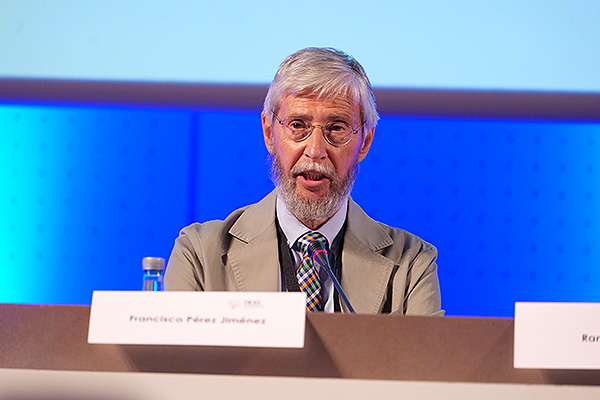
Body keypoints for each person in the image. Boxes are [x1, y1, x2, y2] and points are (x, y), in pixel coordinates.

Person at [165, 47, 443, 315]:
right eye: (298, 125)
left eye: (336, 128)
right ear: (269, 133)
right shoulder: (199, 255)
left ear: (364, 142)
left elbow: (426, 363)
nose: (315, 150)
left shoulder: (411, 264)